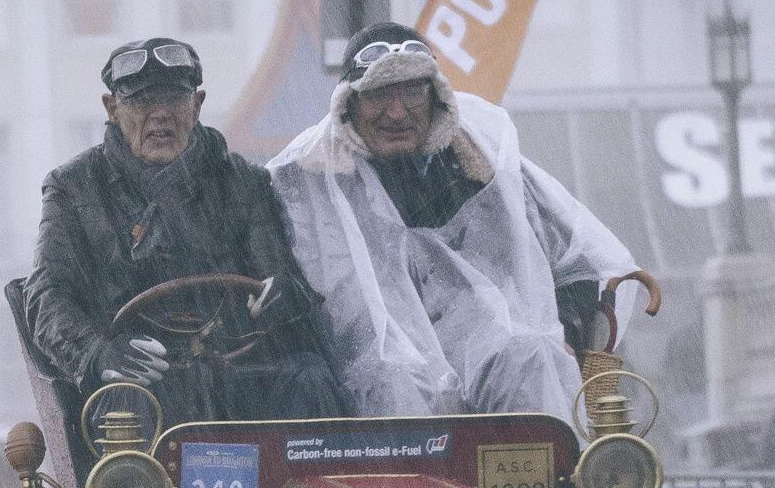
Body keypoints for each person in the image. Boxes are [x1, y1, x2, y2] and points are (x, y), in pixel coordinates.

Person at [267, 22, 637, 421]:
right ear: (349, 103)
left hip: (483, 344)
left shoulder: (482, 164)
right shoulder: (305, 180)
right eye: (379, 94)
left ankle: (538, 478)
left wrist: (569, 328)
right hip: (368, 361)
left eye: (412, 91)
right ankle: (415, 485)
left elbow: (572, 257)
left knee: (532, 355)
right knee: (397, 379)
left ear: (435, 97)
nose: (397, 111)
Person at [24, 37, 347, 426]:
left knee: (311, 379)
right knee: (128, 407)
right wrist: (98, 354)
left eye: (174, 102)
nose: (160, 117)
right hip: (139, 383)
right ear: (112, 109)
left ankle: (315, 485)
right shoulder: (72, 188)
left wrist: (283, 298)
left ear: (196, 106)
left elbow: (279, 276)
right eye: (142, 102)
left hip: (241, 375)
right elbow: (47, 296)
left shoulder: (243, 182)